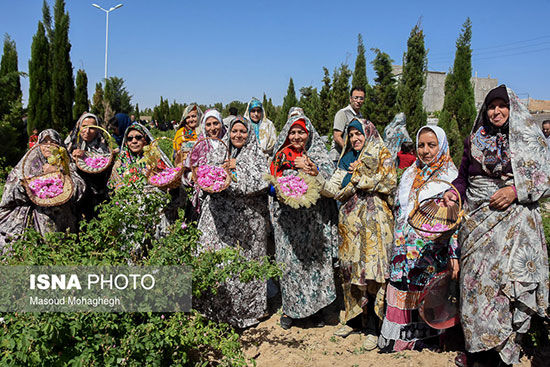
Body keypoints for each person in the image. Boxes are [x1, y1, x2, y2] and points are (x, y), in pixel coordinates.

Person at [443, 85, 549, 366]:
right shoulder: (474, 140)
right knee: (474, 286)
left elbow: (544, 175)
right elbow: (463, 177)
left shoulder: (527, 140)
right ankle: (478, 351)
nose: (496, 111)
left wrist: (515, 191)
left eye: (502, 105)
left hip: (515, 227)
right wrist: (453, 192)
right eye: (492, 106)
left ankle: (505, 353)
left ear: (512, 109)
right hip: (478, 223)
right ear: (485, 110)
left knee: (507, 288)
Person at [379, 125, 459, 353]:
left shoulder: (450, 177)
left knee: (426, 293)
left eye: (431, 145)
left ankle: (429, 340)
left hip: (431, 253)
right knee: (402, 289)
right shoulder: (410, 173)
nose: (425, 151)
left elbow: (456, 221)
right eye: (421, 145)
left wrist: (454, 253)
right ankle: (401, 340)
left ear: (441, 147)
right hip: (403, 251)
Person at [320, 119, 396, 350]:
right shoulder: (346, 160)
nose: (354, 139)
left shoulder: (382, 153)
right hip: (350, 225)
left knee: (372, 272)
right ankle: (353, 319)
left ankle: (373, 327)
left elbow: (390, 182)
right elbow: (334, 188)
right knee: (351, 270)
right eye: (351, 135)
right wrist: (315, 180)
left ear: (369, 133)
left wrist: (361, 176)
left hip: (375, 225)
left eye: (358, 134)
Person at [195, 115, 270, 328]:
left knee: (245, 267)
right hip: (221, 219)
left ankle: (247, 312)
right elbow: (207, 176)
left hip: (248, 222)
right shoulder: (221, 151)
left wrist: (236, 171)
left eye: (243, 131)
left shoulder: (255, 156)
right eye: (234, 131)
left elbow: (259, 182)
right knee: (221, 264)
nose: (238, 135)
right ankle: (219, 312)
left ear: (249, 134)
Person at [269, 112, 337, 330]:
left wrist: (312, 169)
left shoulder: (318, 154)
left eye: (301, 132)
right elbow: (271, 180)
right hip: (288, 223)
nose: (297, 136)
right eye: (293, 132)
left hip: (313, 222)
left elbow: (329, 181)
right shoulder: (280, 155)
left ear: (309, 134)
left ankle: (315, 310)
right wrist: (277, 189)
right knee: (290, 265)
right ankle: (290, 310)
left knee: (313, 265)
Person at [0, 129, 85, 252]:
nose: (49, 145)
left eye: (53, 142)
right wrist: (25, 187)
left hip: (61, 215)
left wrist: (58, 173)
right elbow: (10, 191)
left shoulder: (66, 162)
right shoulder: (28, 162)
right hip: (33, 212)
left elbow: (79, 188)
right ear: (39, 144)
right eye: (45, 142)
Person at [65, 112, 113, 219]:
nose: (87, 131)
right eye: (84, 126)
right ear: (79, 126)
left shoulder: (102, 145)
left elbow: (104, 164)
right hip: (74, 195)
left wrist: (87, 155)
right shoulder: (71, 144)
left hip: (96, 195)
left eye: (92, 128)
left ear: (97, 129)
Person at [107, 122, 170, 191]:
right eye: (130, 138)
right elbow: (113, 186)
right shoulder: (121, 162)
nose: (134, 141)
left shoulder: (154, 158)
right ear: (126, 142)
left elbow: (166, 180)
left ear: (145, 139)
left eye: (138, 137)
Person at [329, 87, 365, 164]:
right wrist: (349, 152)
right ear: (350, 99)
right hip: (338, 158)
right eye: (356, 98)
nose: (358, 101)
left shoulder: (360, 117)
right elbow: (337, 136)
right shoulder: (343, 113)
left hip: (351, 158)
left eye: (361, 98)